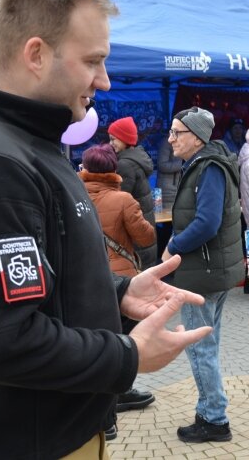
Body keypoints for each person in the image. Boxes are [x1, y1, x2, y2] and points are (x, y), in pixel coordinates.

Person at [0, 0, 211, 458]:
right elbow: (2, 342)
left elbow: (37, 280)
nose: (106, 80)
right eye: (93, 61)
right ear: (36, 54)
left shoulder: (28, 138)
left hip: (54, 434)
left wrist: (116, 293)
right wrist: (130, 355)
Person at [162, 106, 245, 443]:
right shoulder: (208, 163)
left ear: (195, 137)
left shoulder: (209, 167)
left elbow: (207, 223)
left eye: (176, 132)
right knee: (207, 343)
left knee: (200, 347)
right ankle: (209, 409)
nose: (170, 139)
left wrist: (173, 247)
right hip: (212, 270)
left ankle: (214, 418)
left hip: (202, 273)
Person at [79, 143, 157, 440]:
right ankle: (114, 403)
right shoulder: (124, 199)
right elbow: (146, 236)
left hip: (86, 281)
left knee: (93, 343)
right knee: (120, 342)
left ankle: (103, 414)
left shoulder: (72, 194)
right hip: (122, 281)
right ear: (113, 168)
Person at [108, 116, 158, 270]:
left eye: (113, 139)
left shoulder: (125, 164)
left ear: (125, 139)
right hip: (142, 232)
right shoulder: (137, 159)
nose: (110, 144)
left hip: (134, 237)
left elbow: (118, 201)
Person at [156, 137, 182, 210]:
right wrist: (183, 163)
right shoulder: (166, 142)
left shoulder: (185, 142)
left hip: (179, 191)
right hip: (167, 192)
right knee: (166, 218)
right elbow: (162, 165)